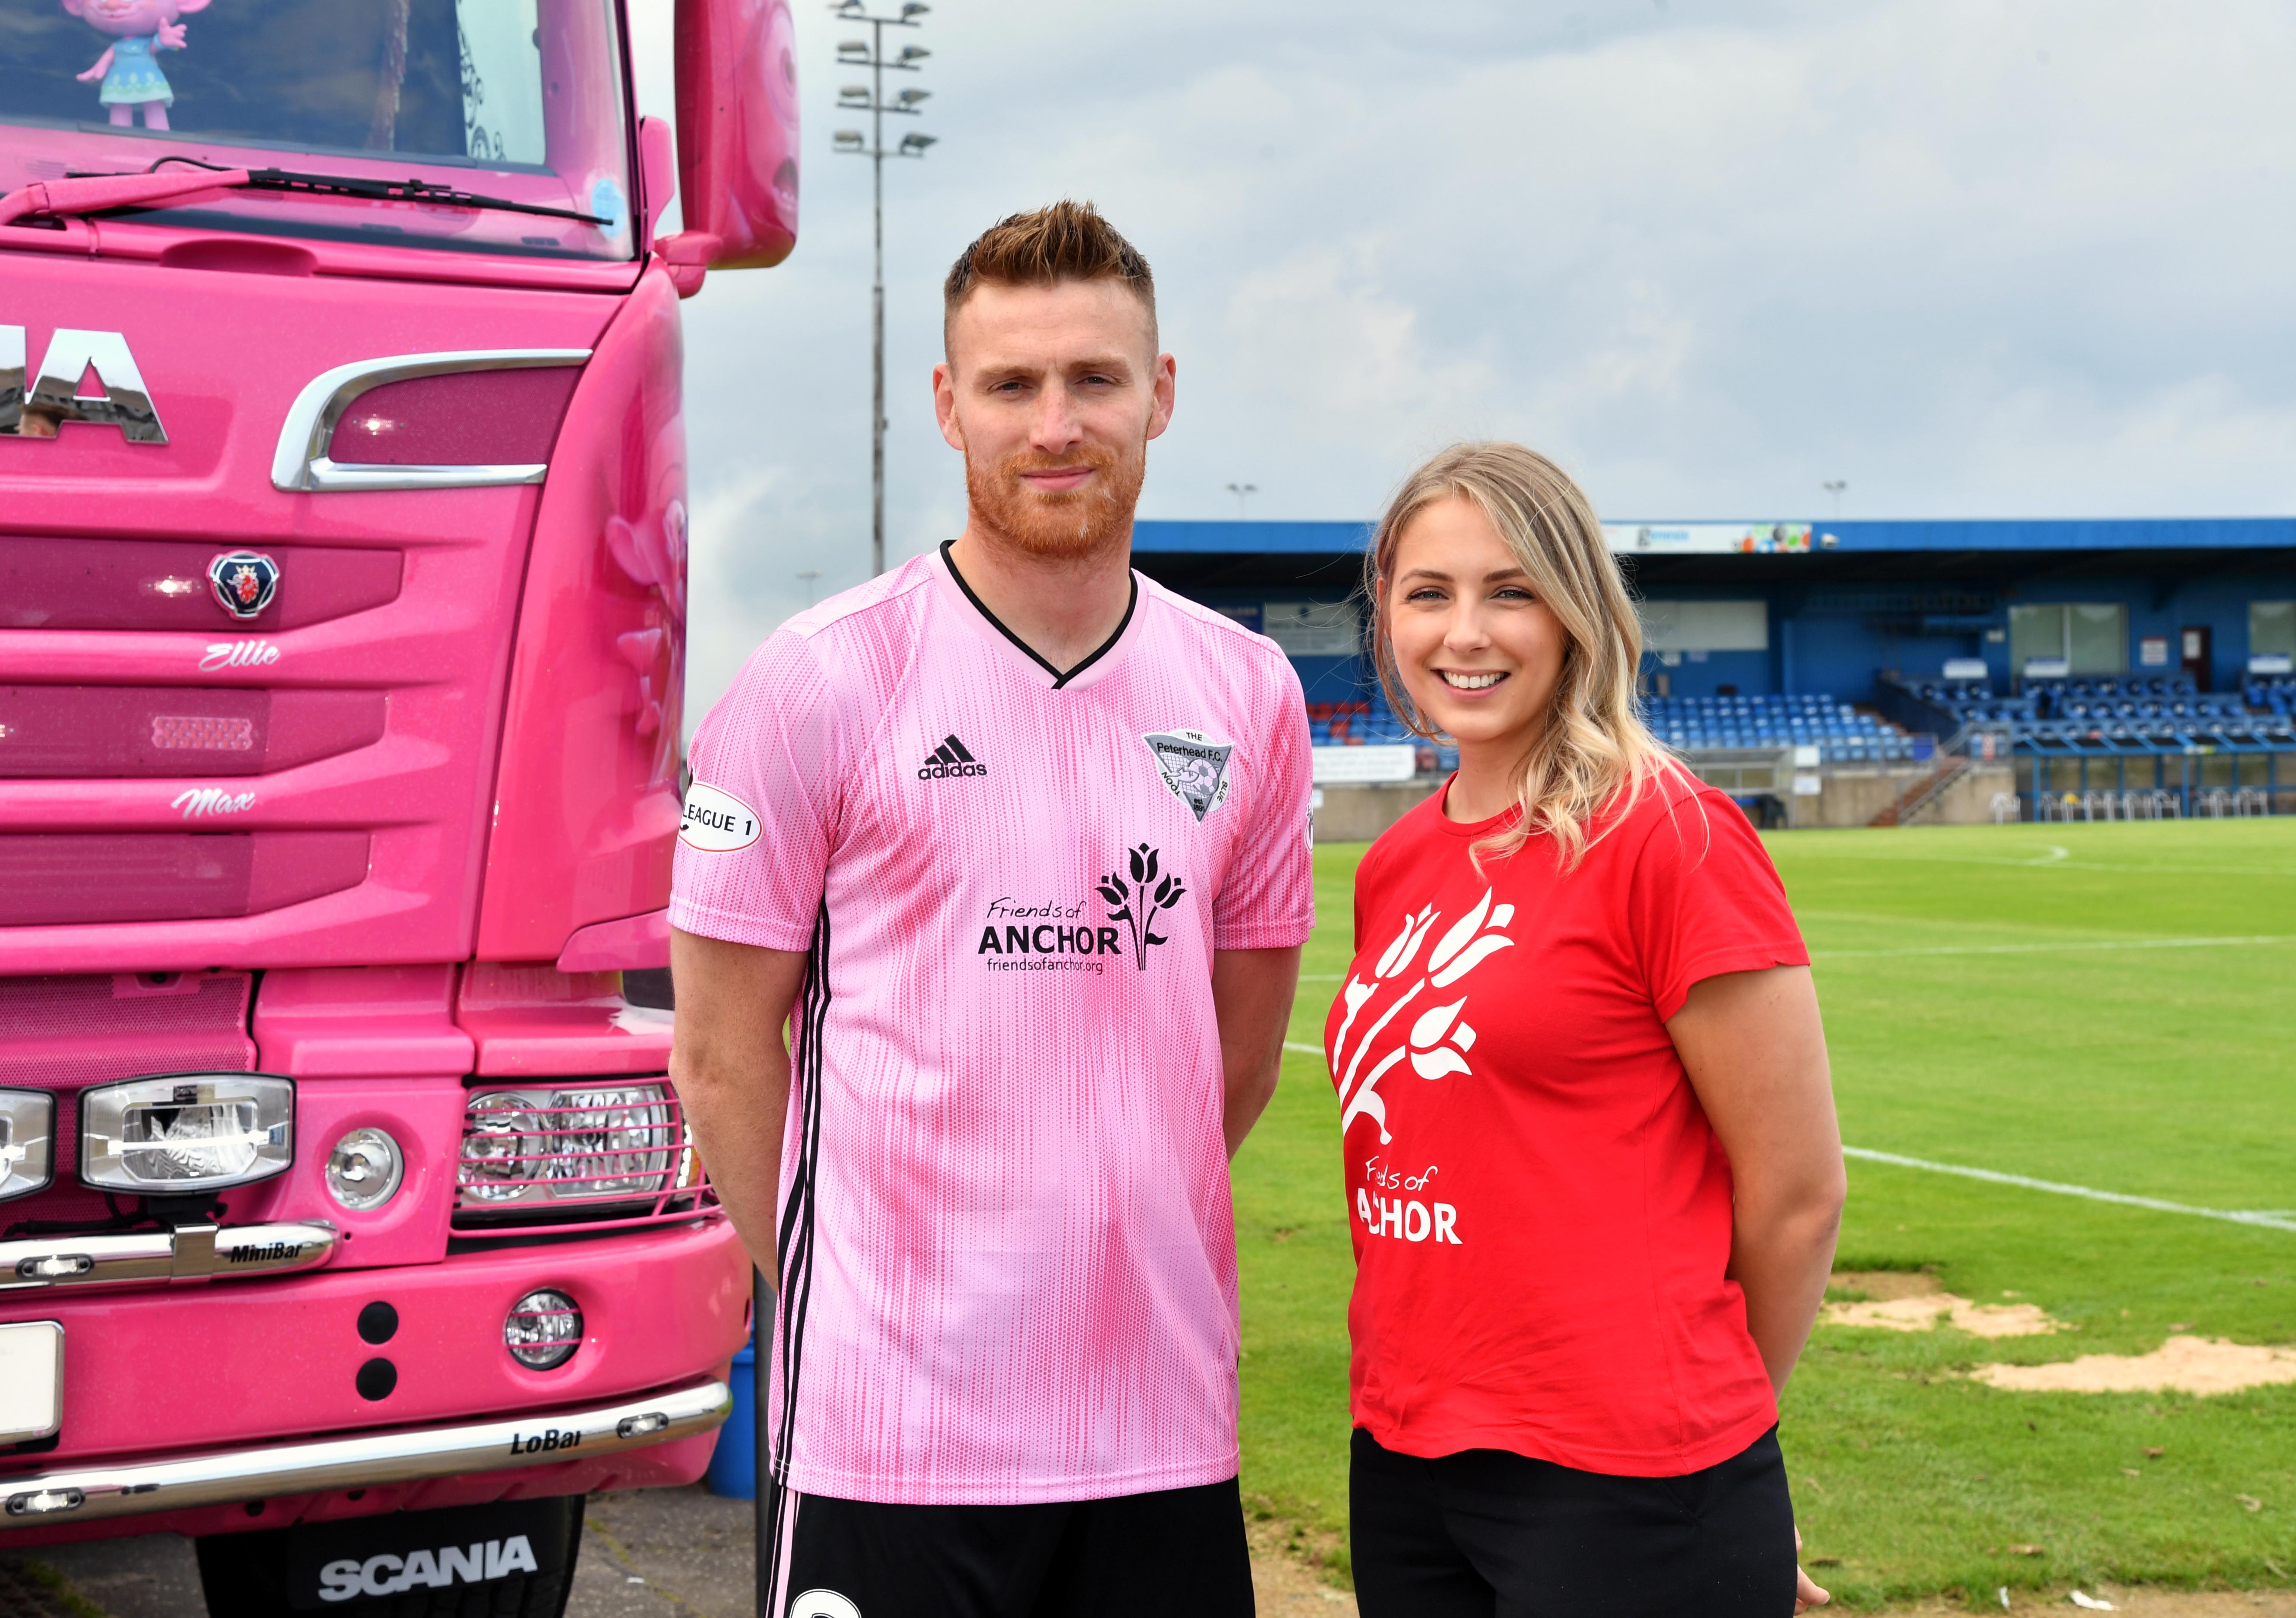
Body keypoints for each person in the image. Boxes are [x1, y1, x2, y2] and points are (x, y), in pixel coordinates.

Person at [665, 201, 1313, 1618]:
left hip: (1158, 1420)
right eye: (1014, 385)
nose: (1058, 422)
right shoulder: (821, 678)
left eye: (1096, 378)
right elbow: (719, 1058)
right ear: (952, 409)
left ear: (1163, 395)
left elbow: (1236, 1053)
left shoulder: (1247, 691)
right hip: (891, 1437)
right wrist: (855, 1304)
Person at [1325, 442, 1844, 1615]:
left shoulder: (1670, 837)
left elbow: (1800, 1190)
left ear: (1576, 613)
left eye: (1510, 591)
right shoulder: (1401, 864)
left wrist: (1718, 1458)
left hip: (1628, 1475)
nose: (1467, 632)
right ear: (1388, 621)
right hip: (1406, 1455)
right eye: (1429, 594)